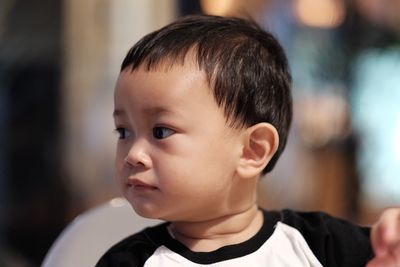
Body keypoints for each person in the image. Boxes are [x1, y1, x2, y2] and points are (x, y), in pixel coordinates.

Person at [96, 15, 400, 266]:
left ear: (252, 150)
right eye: (123, 131)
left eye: (161, 131)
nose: (133, 154)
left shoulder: (323, 246)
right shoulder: (128, 261)